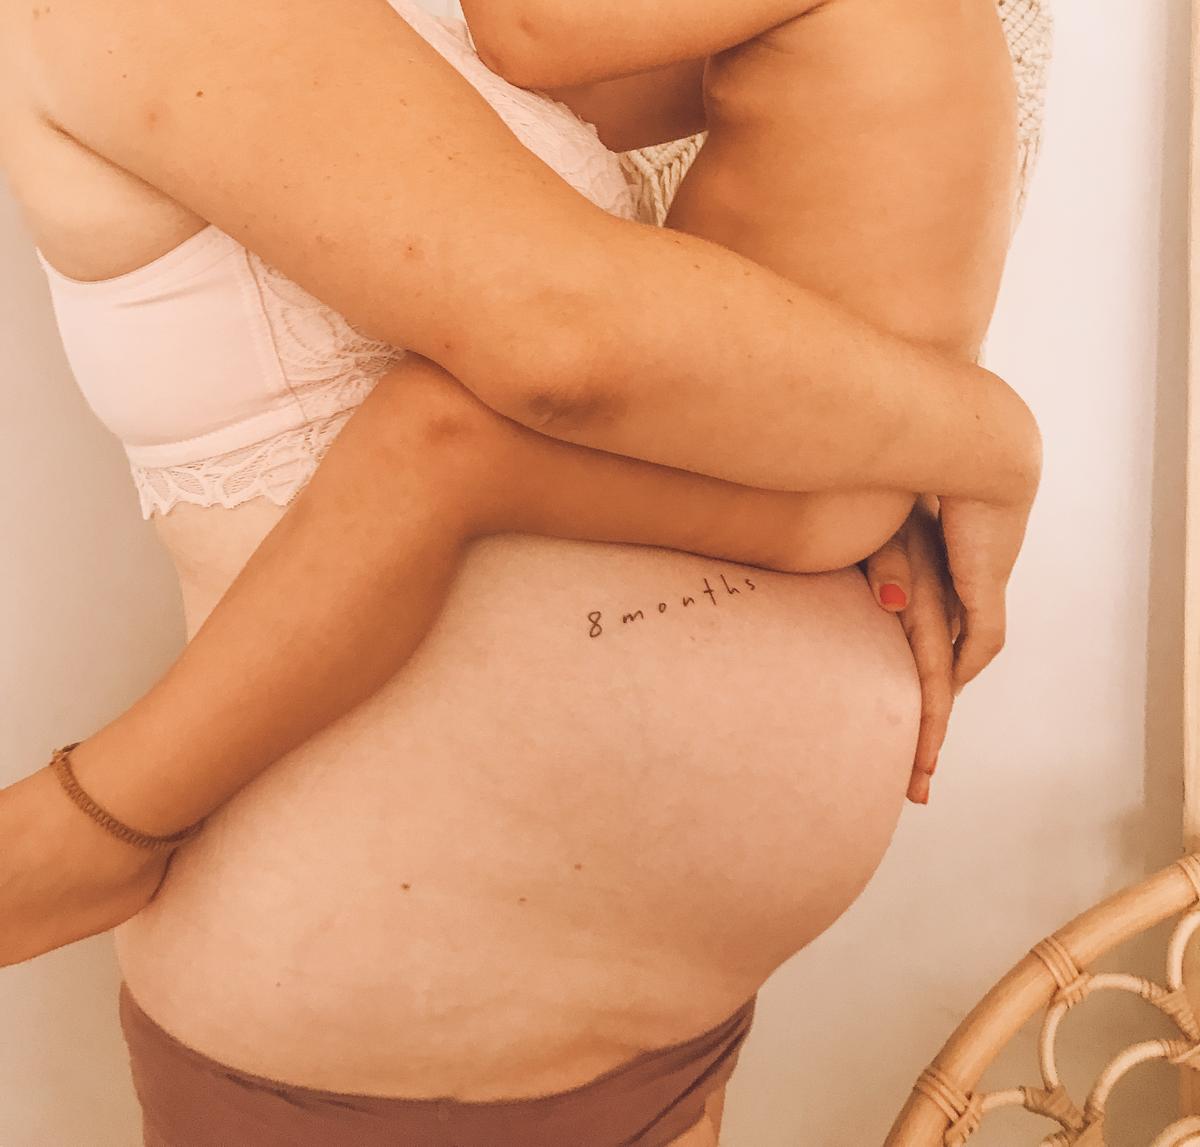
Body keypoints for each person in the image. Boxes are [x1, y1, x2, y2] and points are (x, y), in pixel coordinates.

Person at [0, 0, 1042, 1143]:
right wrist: (977, 441)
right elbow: (567, 333)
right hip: (377, 1027)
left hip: (665, 1026)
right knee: (433, 443)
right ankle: (97, 818)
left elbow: (804, 129)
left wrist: (846, 456)